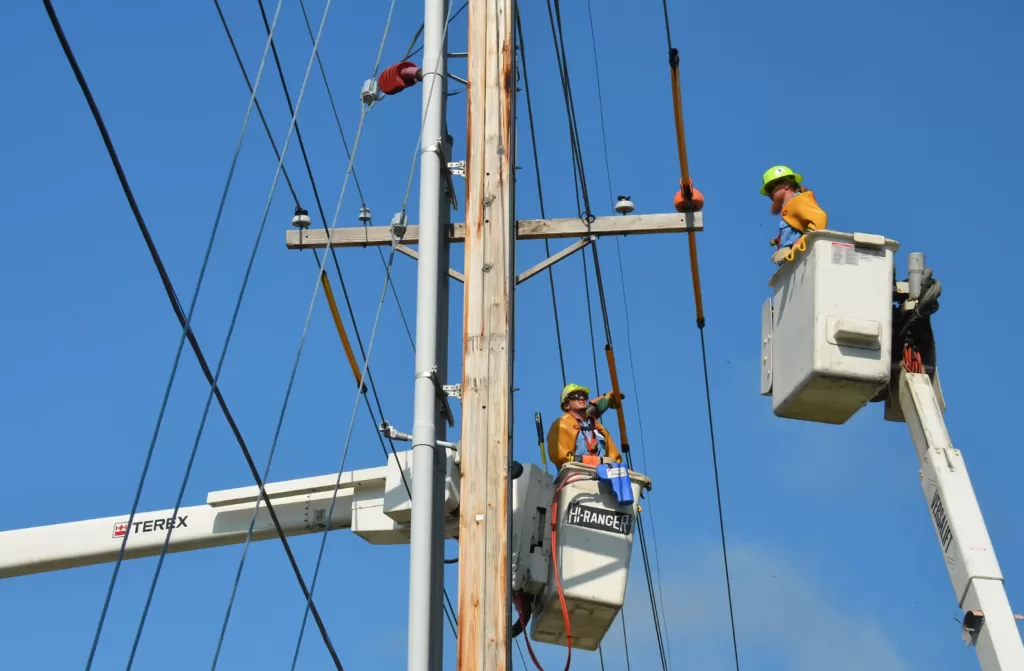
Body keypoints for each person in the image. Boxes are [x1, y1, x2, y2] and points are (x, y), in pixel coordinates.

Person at [761, 165, 828, 264]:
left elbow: (820, 219)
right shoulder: (790, 205)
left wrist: (797, 245)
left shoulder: (797, 201)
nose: (769, 194)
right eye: (767, 191)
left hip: (801, 260)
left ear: (786, 185)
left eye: (770, 188)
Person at [546, 383, 624, 469]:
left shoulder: (600, 429)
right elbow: (561, 457)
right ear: (566, 405)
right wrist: (594, 461)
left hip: (605, 476)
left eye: (584, 395)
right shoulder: (561, 425)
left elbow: (616, 459)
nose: (582, 398)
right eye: (576, 396)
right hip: (578, 476)